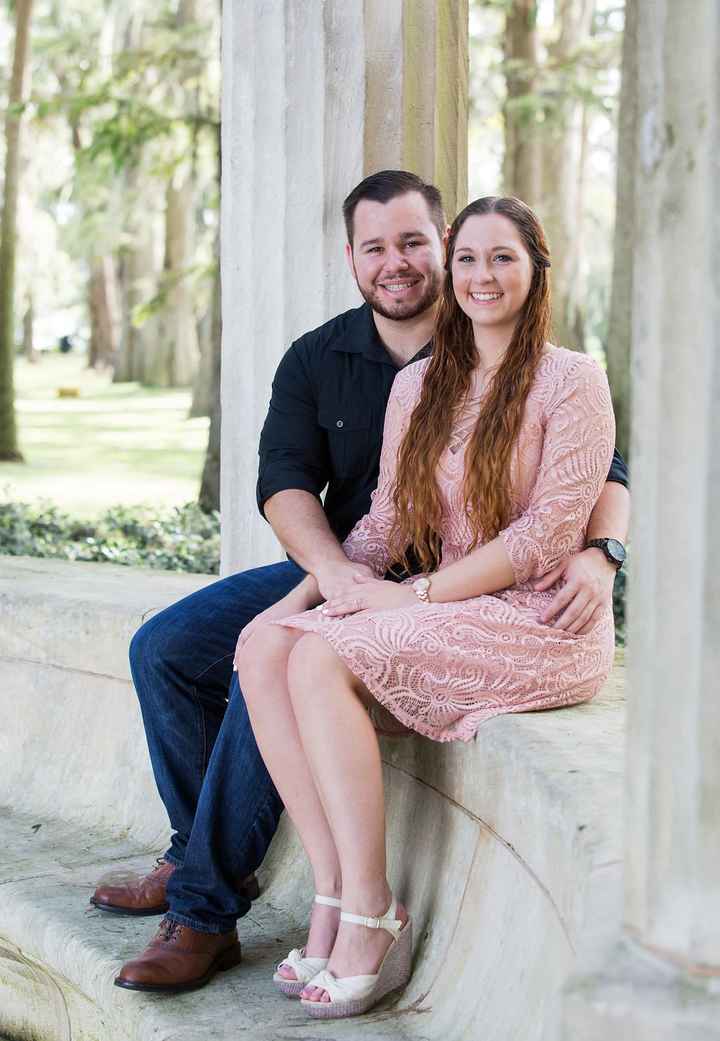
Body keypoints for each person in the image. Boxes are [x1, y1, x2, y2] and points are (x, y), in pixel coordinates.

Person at [99, 172, 629, 994]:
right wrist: (314, 588)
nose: (405, 262)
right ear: (353, 258)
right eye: (378, 246)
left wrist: (605, 553)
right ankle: (272, 873)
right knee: (212, 645)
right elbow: (318, 497)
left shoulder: (567, 375)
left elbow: (570, 505)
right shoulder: (373, 372)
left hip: (488, 601)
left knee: (295, 663)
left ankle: (236, 906)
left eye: (419, 242)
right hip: (360, 567)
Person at [234, 194, 620, 1021]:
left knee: (322, 655)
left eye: (503, 258)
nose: (483, 276)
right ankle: (333, 894)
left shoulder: (573, 379)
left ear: (536, 269)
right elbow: (387, 522)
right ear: (454, 268)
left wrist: (407, 596)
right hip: (447, 611)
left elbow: (546, 537)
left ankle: (377, 912)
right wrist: (313, 589)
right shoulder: (419, 386)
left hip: (541, 621)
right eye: (470, 259)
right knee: (268, 647)